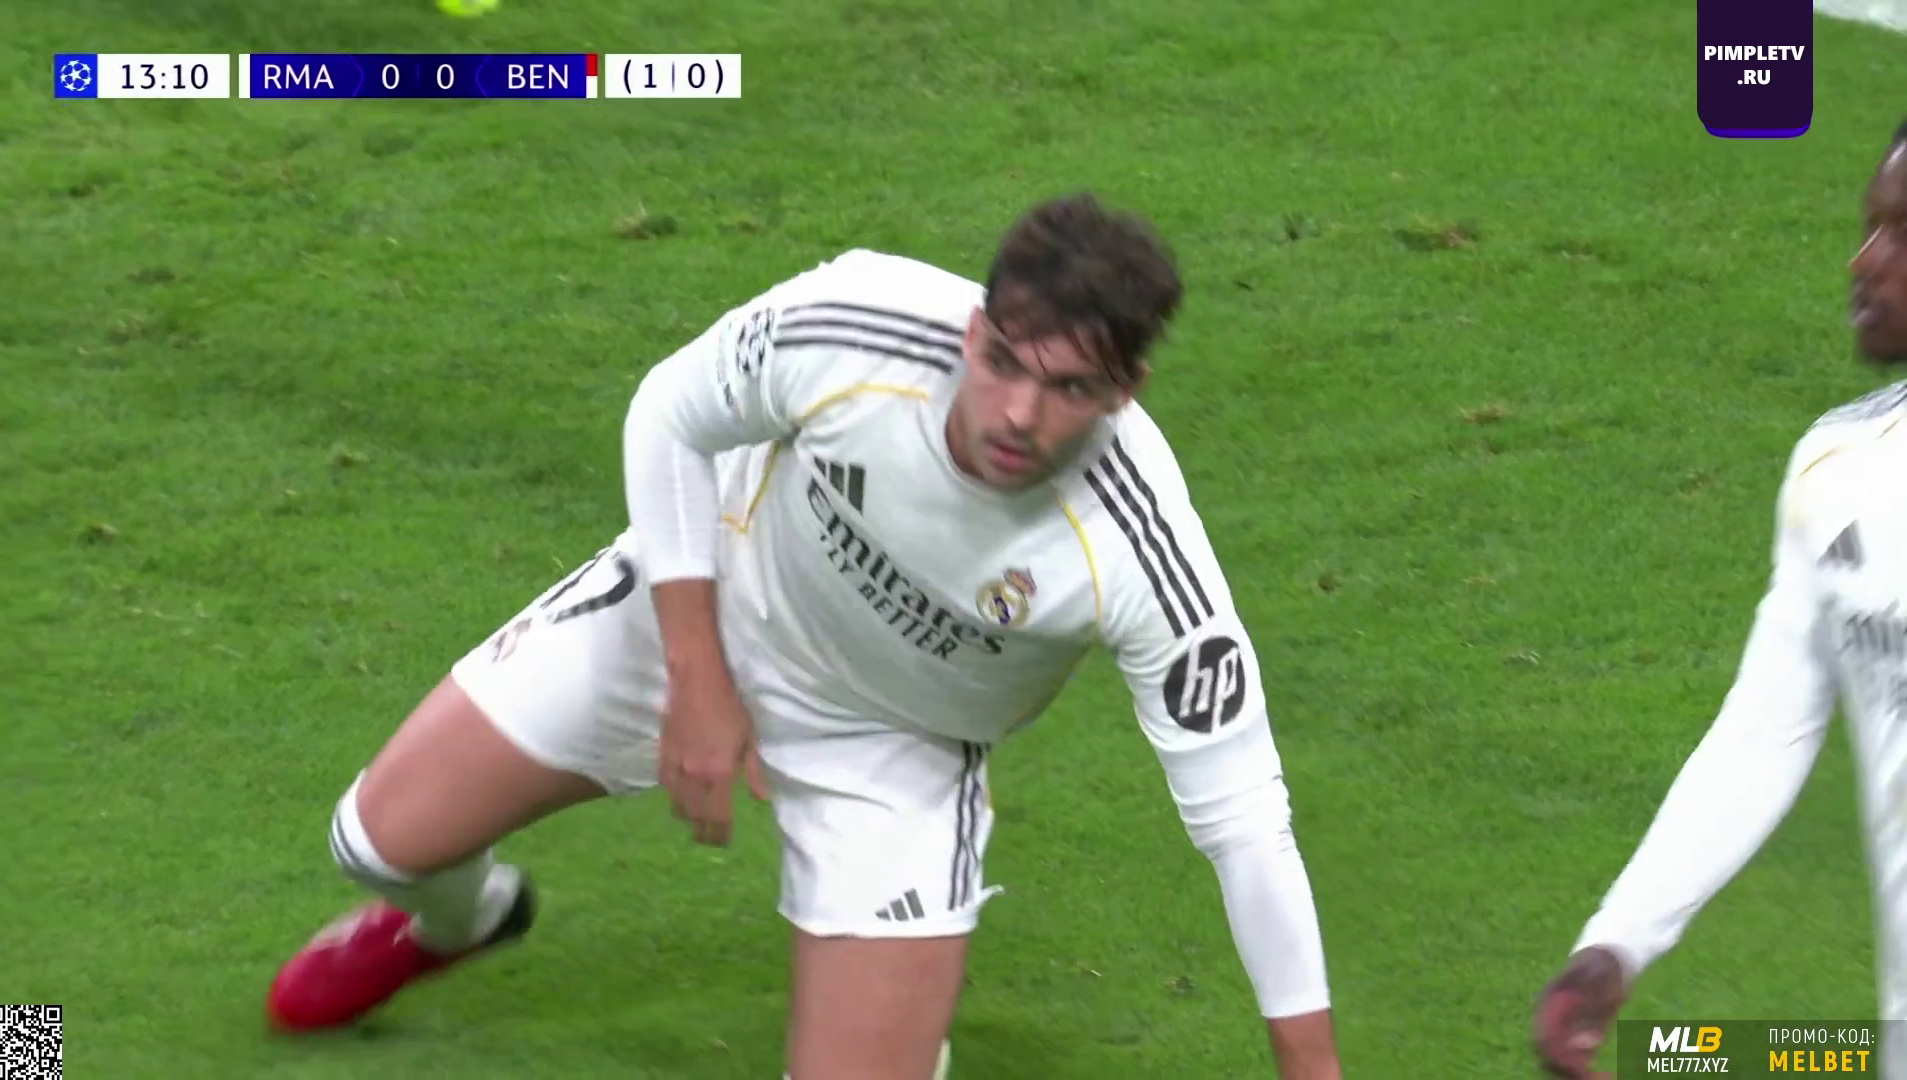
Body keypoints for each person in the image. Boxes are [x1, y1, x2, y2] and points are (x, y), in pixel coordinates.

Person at [265, 193, 1343, 1079]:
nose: (1020, 414)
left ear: (1125, 392)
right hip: (714, 593)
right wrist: (698, 677)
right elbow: (670, 413)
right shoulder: (856, 325)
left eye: (1071, 389)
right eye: (1007, 363)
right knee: (374, 842)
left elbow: (1247, 824)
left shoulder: (1142, 546)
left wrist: (1313, 1071)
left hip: (896, 748)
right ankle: (462, 924)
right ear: (974, 330)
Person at [1531, 124, 1907, 1078]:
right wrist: (1616, 944)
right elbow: (1764, 733)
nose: (1864, 260)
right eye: (1870, 226)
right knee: (1701, 1060)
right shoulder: (1839, 471)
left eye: (1902, 236)